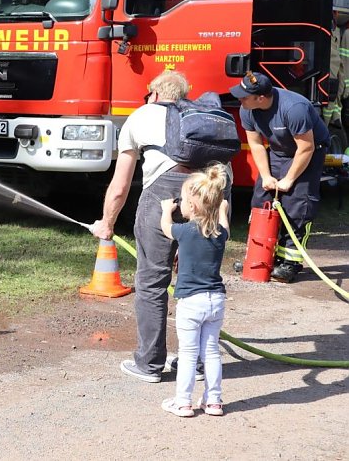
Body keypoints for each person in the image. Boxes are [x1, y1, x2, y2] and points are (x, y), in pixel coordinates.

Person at [91, 70, 193, 383]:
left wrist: (107, 224)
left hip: (164, 194)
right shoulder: (199, 115)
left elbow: (120, 184)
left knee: (152, 281)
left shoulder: (141, 116)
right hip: (212, 192)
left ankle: (149, 364)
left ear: (156, 94)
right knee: (198, 280)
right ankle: (197, 361)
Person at [231, 71, 329, 283]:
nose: (239, 99)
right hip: (278, 152)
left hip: (308, 152)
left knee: (297, 205)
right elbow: (256, 144)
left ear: (261, 98)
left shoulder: (294, 109)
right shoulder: (247, 109)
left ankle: (289, 263)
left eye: (244, 96)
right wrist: (266, 176)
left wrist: (289, 179)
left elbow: (307, 147)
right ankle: (259, 257)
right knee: (260, 201)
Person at [159, 165, 230, 418]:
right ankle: (213, 402)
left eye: (184, 200)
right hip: (216, 301)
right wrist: (223, 210)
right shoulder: (220, 234)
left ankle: (183, 402)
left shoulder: (186, 231)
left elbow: (166, 228)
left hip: (191, 302)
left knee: (188, 354)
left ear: (193, 206)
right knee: (211, 352)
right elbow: (224, 224)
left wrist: (167, 210)